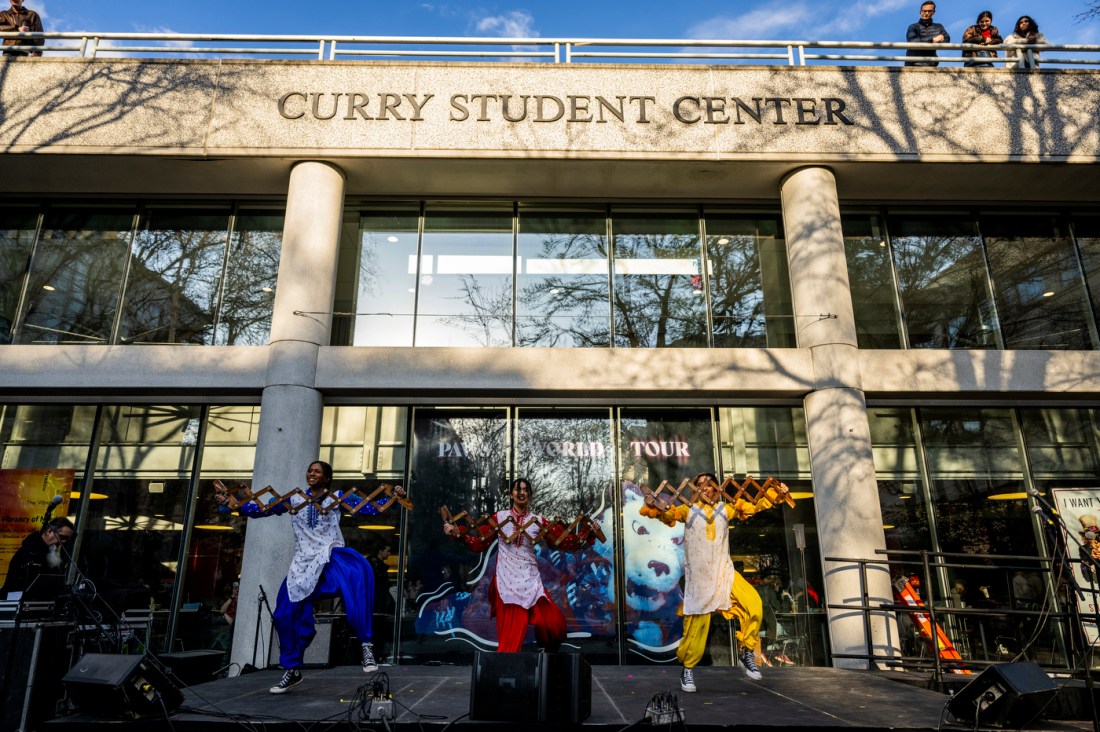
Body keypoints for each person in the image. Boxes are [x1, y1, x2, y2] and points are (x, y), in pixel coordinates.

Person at [217, 460, 405, 694]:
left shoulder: (336, 497)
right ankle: (292, 669)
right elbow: (262, 510)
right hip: (302, 564)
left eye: (317, 471)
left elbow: (369, 507)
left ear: (326, 477)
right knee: (284, 614)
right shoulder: (294, 498)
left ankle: (366, 646)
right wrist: (232, 505)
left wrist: (395, 499)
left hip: (329, 558)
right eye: (309, 470)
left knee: (356, 578)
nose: (312, 474)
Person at [640, 472, 791, 692]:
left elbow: (753, 506)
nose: (703, 488)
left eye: (708, 484)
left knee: (754, 605)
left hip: (724, 571)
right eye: (699, 485)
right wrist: (655, 506)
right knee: (696, 629)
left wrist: (774, 494)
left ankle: (747, 653)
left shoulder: (725, 509)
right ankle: (688, 670)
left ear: (717, 488)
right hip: (701, 578)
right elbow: (668, 514)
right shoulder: (688, 509)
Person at [442, 477, 597, 653]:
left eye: (525, 490)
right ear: (511, 494)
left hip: (531, 581)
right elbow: (480, 542)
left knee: (554, 625)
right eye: (517, 489)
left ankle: (547, 660)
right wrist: (458, 534)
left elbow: (563, 542)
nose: (521, 492)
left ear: (529, 495)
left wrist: (587, 533)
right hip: (507, 584)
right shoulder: (499, 518)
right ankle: (503, 675)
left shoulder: (538, 521)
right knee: (510, 643)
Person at [1, 516, 74, 598]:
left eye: (67, 539)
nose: (63, 542)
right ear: (49, 531)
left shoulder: (51, 552)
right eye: (62, 537)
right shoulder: (30, 551)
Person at [905, 2, 949, 67]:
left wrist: (939, 41)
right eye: (924, 11)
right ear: (920, 12)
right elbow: (912, 41)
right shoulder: (913, 27)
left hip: (931, 64)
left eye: (929, 11)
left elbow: (947, 39)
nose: (927, 13)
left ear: (934, 12)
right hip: (913, 64)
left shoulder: (938, 27)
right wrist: (933, 40)